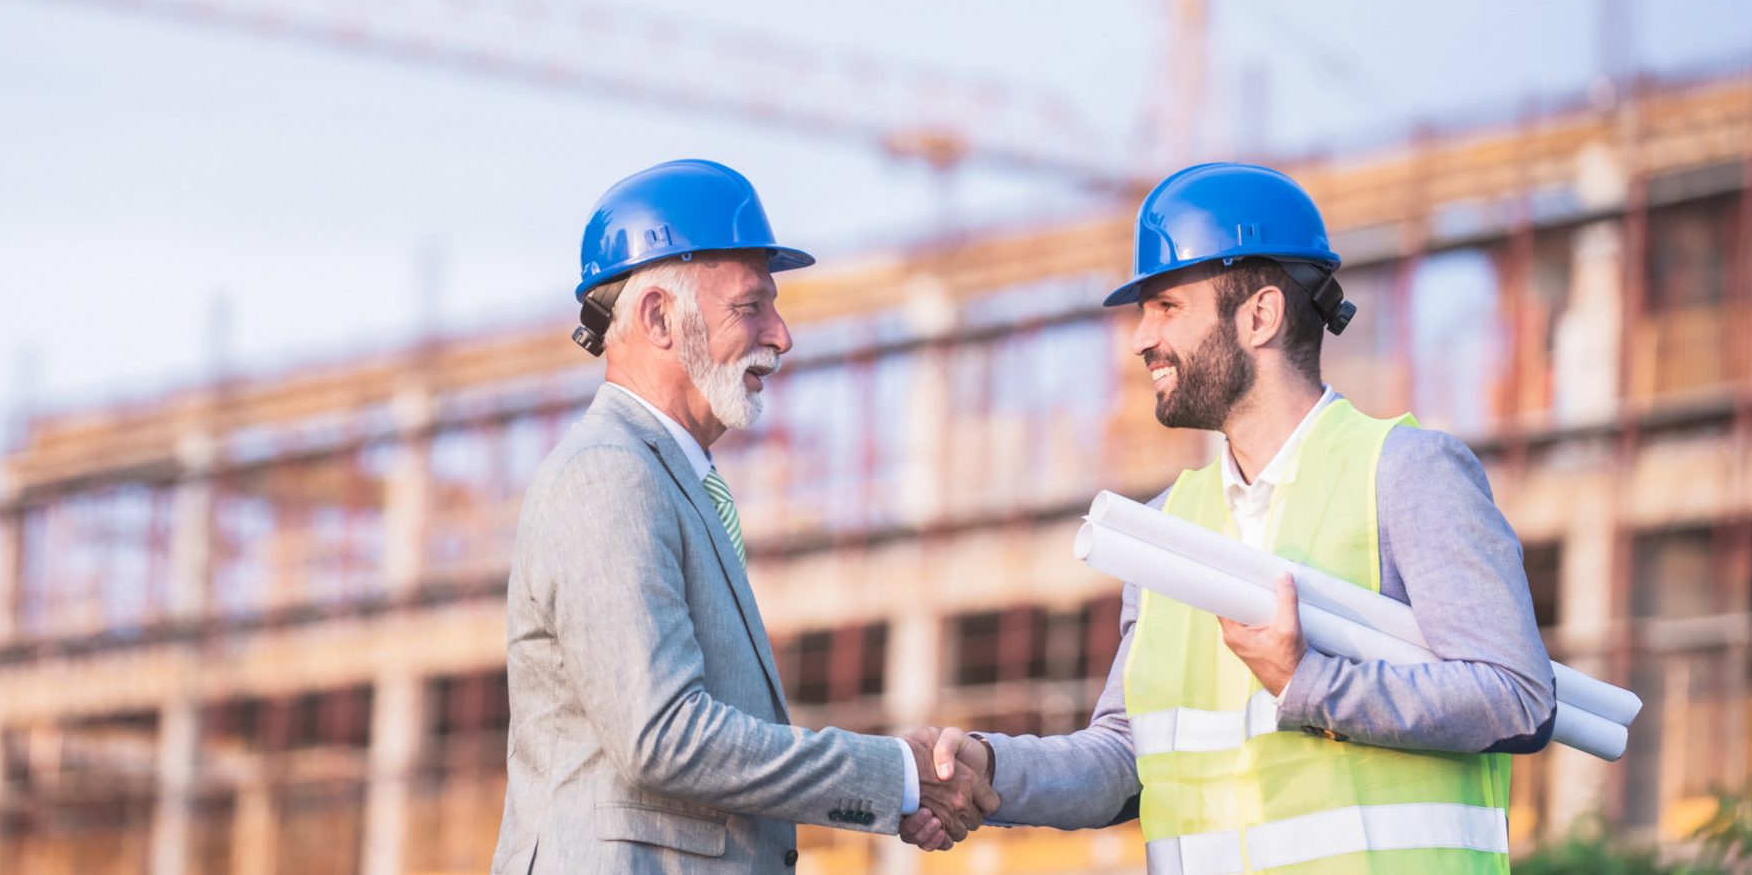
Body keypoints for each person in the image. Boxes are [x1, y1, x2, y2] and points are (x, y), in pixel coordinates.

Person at [902, 162, 1557, 873]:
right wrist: (991, 769)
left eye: (1167, 307)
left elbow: (1517, 696)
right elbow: (1126, 759)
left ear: (1260, 315)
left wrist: (1310, 683)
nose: (1140, 339)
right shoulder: (1164, 531)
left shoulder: (1406, 473)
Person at [493, 158, 997, 873]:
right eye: (749, 307)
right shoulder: (609, 474)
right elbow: (665, 737)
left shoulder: (667, 478)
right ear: (658, 317)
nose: (781, 335)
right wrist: (899, 773)